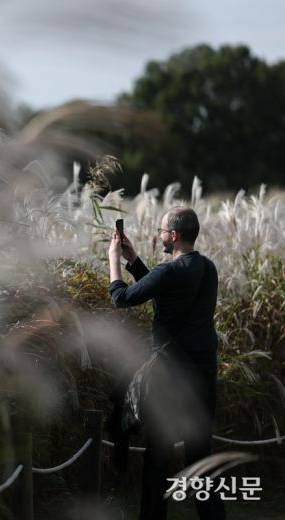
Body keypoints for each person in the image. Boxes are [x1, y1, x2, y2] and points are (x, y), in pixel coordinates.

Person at [107, 207, 225, 520]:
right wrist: (135, 262)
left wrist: (114, 260)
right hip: (204, 376)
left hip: (170, 379)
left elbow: (122, 298)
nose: (159, 236)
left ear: (173, 236)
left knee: (158, 459)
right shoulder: (208, 269)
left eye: (161, 231)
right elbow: (167, 293)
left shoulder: (169, 271)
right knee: (200, 459)